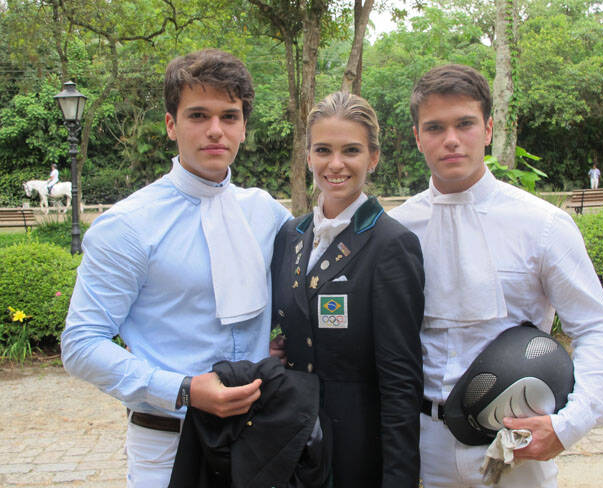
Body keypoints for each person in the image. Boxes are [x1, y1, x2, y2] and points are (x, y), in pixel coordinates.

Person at [389, 64, 603, 487]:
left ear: (488, 129)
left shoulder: (542, 225)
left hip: (517, 445)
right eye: (434, 127)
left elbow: (598, 329)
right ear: (417, 137)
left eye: (465, 123)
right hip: (422, 447)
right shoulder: (398, 229)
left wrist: (567, 425)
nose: (451, 139)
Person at [61, 49, 291, 488]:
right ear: (171, 124)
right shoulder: (129, 225)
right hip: (167, 444)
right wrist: (183, 389)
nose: (215, 131)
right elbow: (80, 343)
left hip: (261, 438)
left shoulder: (265, 212)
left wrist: (280, 345)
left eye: (229, 116)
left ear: (243, 126)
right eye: (198, 115)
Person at [271, 91, 425, 487]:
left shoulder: (391, 244)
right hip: (294, 446)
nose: (335, 164)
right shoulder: (291, 235)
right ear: (308, 156)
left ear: (373, 157)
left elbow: (400, 381)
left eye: (351, 150)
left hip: (357, 453)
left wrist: (399, 479)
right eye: (323, 150)